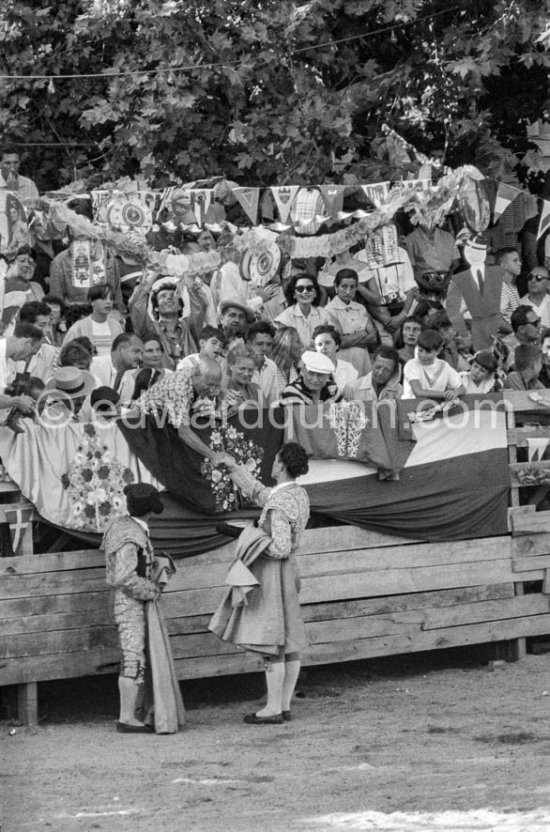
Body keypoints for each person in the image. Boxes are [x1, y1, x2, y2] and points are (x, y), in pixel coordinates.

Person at [209, 442, 310, 724]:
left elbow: (279, 548)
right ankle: (284, 705)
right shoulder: (297, 494)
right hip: (289, 573)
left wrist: (245, 535)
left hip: (273, 574)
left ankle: (273, 709)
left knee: (271, 639)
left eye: (275, 460)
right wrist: (232, 467)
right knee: (288, 642)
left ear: (280, 465)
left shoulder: (279, 503)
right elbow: (258, 492)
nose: (272, 463)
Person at [102, 483, 184, 733]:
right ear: (150, 511)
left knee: (134, 655)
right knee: (133, 656)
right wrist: (152, 590)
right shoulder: (131, 536)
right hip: (130, 603)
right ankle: (126, 718)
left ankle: (130, 713)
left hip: (127, 601)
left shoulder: (122, 525)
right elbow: (124, 578)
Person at [325, 268, 380, 375]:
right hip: (342, 361)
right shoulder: (329, 310)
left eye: (352, 287)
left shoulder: (360, 308)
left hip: (363, 360)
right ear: (336, 286)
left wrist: (349, 337)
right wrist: (362, 334)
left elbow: (373, 338)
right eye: (344, 286)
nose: (348, 291)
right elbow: (339, 342)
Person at [403, 329, 465, 400]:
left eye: (428, 352)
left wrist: (455, 392)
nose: (423, 355)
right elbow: (418, 392)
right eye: (420, 350)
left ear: (438, 350)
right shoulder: (411, 364)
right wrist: (446, 394)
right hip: (409, 407)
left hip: (434, 408)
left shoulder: (444, 366)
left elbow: (462, 388)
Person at [62, 285, 124, 356]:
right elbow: (65, 354)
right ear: (92, 301)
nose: (108, 302)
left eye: (111, 299)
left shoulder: (116, 325)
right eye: (103, 298)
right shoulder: (78, 327)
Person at [274, 274, 330, 349]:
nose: (305, 292)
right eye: (300, 289)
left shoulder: (324, 314)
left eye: (309, 288)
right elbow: (283, 349)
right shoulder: (284, 319)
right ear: (294, 294)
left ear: (315, 293)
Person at [91, 333, 143, 404]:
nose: (140, 358)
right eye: (136, 351)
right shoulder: (93, 365)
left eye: (141, 353)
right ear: (121, 349)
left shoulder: (132, 378)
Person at [312, 323, 358, 394]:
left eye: (327, 343)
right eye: (319, 344)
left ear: (337, 345)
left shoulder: (349, 368)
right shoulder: (310, 372)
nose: (324, 347)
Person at [247, 320, 281, 405]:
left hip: (265, 414)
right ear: (249, 344)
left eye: (269, 344)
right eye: (259, 344)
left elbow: (273, 399)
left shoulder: (271, 365)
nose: (264, 348)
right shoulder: (240, 366)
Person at [223, 343, 262, 410]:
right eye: (242, 369)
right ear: (231, 366)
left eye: (250, 370)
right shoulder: (222, 389)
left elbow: (266, 415)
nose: (246, 374)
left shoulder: (256, 389)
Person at [270, 326, 303, 393]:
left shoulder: (297, 370)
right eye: (297, 341)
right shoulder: (270, 370)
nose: (302, 345)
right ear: (286, 344)